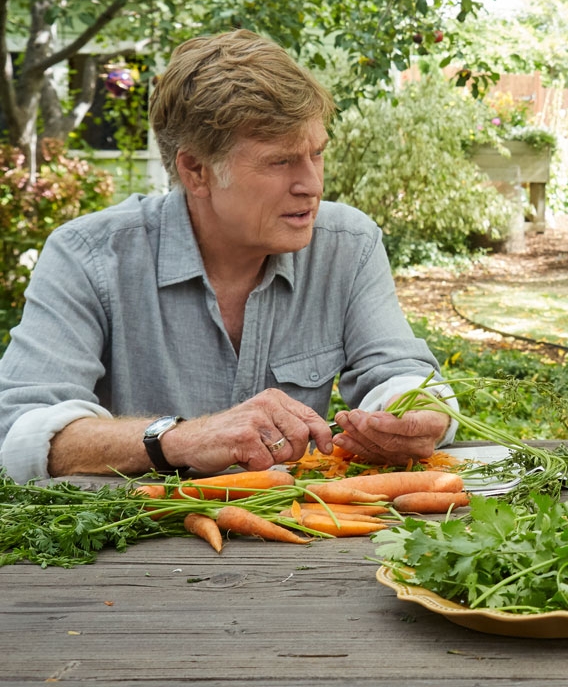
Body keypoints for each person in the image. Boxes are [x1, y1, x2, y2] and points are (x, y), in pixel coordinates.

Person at [0, 30, 458, 483]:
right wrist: (179, 440)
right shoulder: (90, 256)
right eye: (280, 162)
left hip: (297, 544)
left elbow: (398, 371)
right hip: (130, 541)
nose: (312, 184)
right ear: (196, 170)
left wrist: (416, 411)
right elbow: (18, 431)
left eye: (316, 154)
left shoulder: (347, 243)